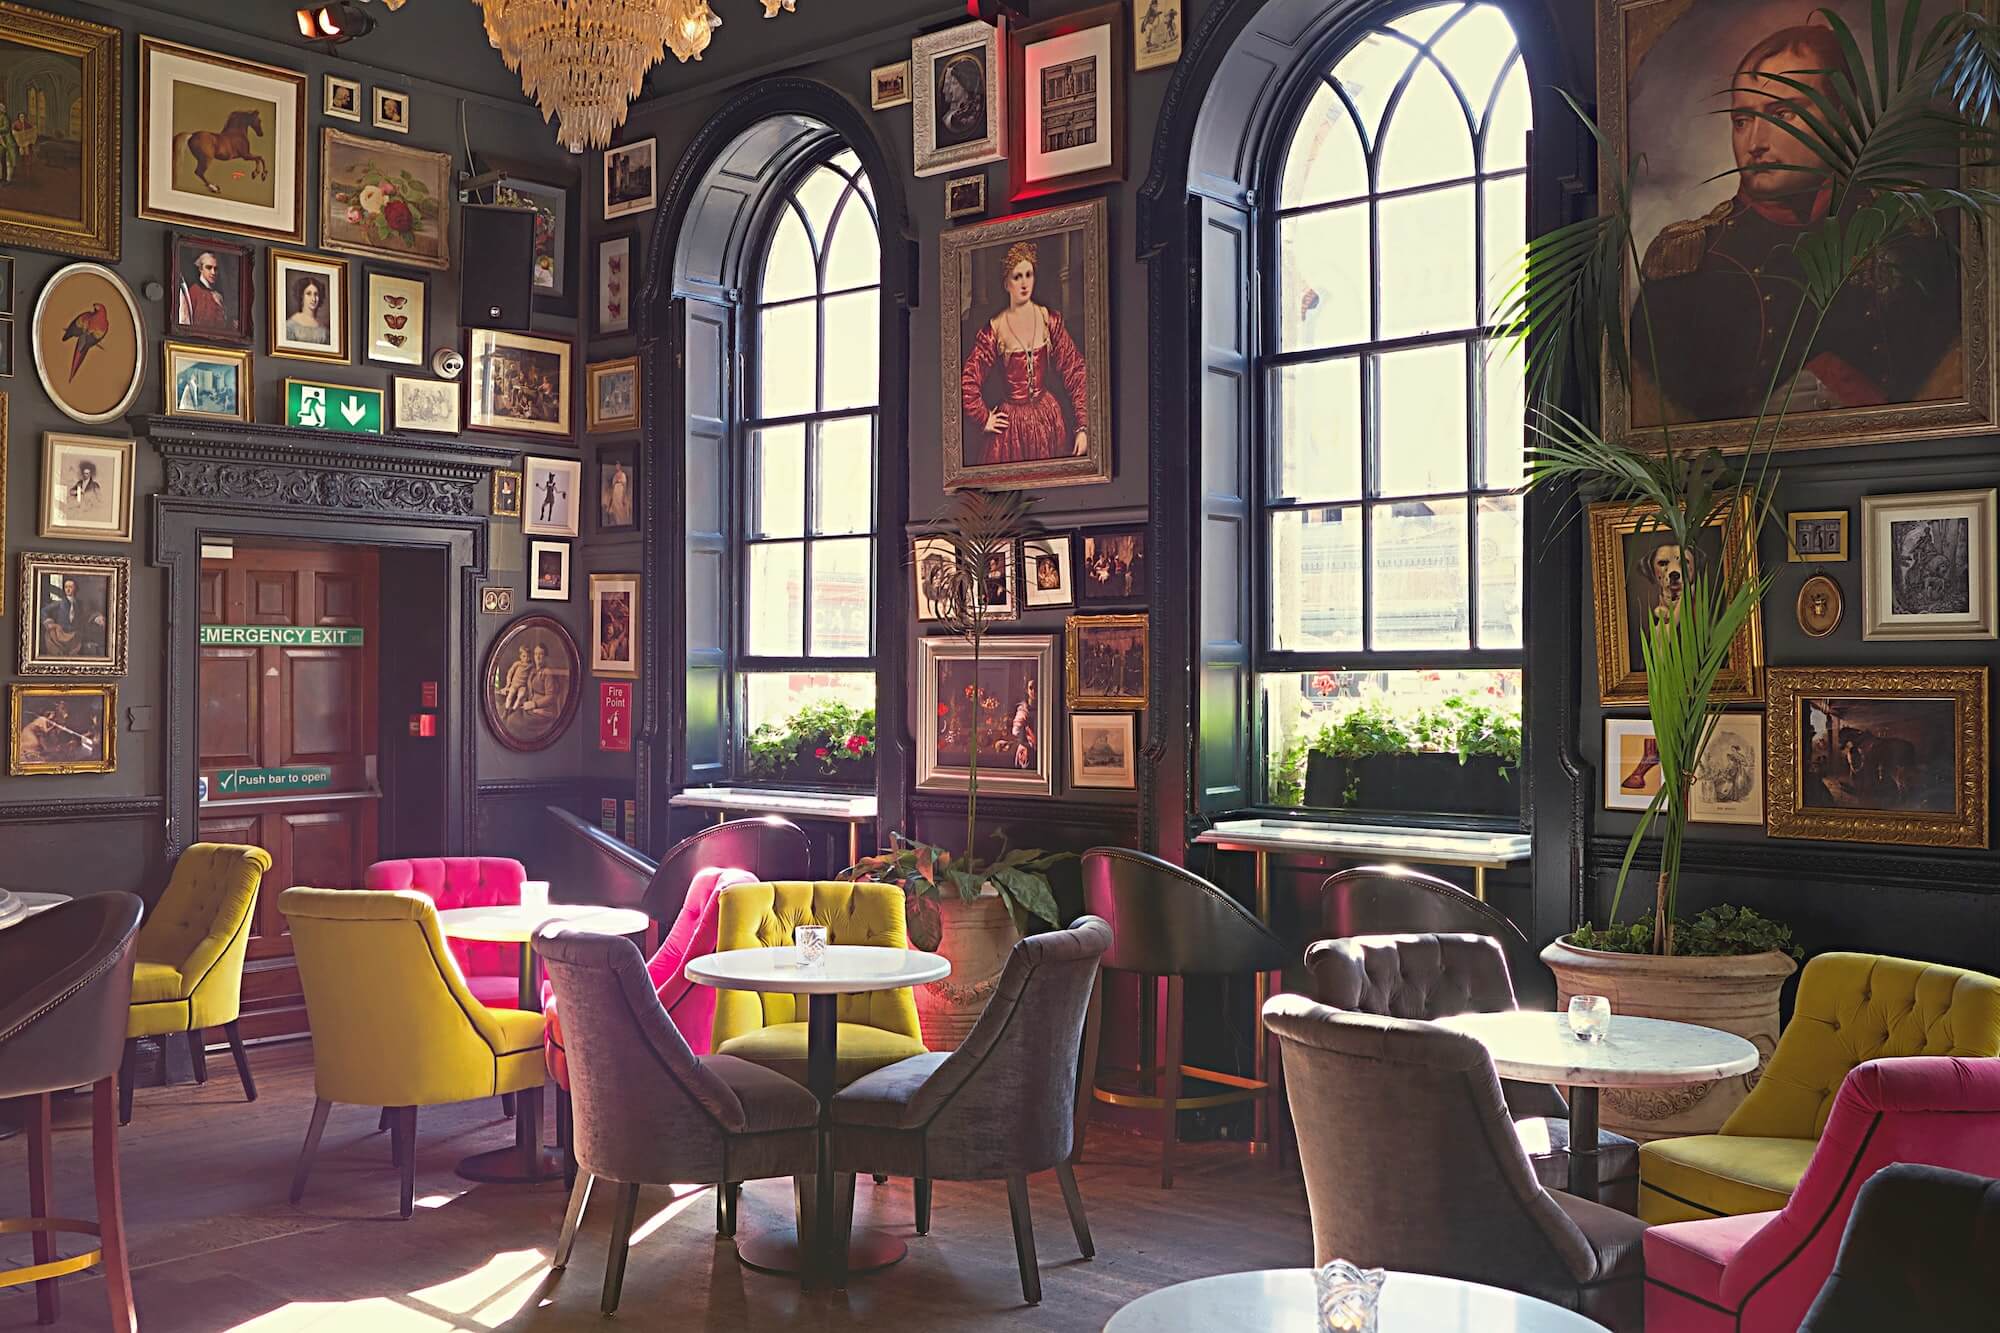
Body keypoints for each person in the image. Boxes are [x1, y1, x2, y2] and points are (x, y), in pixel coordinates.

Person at [1631, 22, 1957, 424]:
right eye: (1741, 121)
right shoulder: (1685, 263)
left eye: (1782, 114)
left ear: (1840, 118)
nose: (1755, 142)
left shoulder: (1910, 233)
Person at [960, 240, 1089, 467]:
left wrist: (1083, 426)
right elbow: (968, 379)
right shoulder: (996, 328)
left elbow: (1076, 370)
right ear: (1006, 283)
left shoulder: (1048, 320)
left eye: (1028, 274)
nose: (1024, 283)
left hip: (1048, 421)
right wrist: (984, 417)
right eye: (1017, 276)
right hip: (1011, 429)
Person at [41, 577, 106, 658]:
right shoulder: (60, 603)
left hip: (75, 635)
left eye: (70, 587)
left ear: (75, 588)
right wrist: (49, 622)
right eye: (66, 587)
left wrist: (97, 617)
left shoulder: (79, 604)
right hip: (61, 634)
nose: (68, 589)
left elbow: (87, 614)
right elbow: (43, 611)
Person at [177, 250, 230, 331]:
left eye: (216, 269)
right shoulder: (194, 291)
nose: (213, 272)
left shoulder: (219, 296)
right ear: (201, 269)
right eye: (209, 267)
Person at [938, 53, 984, 138]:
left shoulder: (964, 118)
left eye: (954, 84)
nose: (950, 90)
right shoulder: (951, 115)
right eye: (949, 85)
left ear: (966, 85)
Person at [285, 276, 330, 345]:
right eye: (308, 294)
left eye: (316, 294)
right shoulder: (290, 325)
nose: (313, 299)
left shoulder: (324, 329)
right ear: (301, 296)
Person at [602, 463, 632, 527]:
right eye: (616, 466)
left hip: (620, 490)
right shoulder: (615, 475)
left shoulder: (623, 474)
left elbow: (624, 485)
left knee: (620, 504)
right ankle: (616, 520)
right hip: (615, 490)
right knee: (614, 504)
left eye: (618, 466)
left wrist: (624, 495)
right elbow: (613, 485)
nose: (617, 467)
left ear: (620, 467)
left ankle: (622, 521)